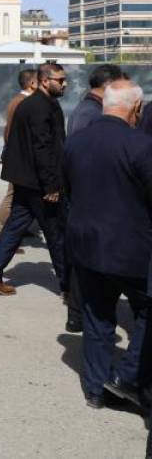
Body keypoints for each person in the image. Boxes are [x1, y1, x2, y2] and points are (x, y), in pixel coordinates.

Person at [62, 79, 152, 410]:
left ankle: (95, 389)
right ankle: (127, 377)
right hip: (131, 249)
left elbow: (69, 190)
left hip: (85, 244)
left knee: (97, 316)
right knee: (146, 309)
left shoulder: (76, 141)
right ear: (137, 108)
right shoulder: (141, 145)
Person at [0, 62, 69, 296]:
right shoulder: (39, 107)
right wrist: (51, 184)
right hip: (39, 183)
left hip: (26, 180)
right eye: (60, 80)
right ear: (44, 81)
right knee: (56, 233)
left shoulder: (39, 104)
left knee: (13, 228)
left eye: (64, 79)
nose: (64, 84)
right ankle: (69, 288)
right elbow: (42, 148)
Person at [0, 69, 38, 252]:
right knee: (12, 197)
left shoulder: (19, 101)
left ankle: (18, 229)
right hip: (19, 159)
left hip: (17, 156)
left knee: (22, 197)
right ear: (32, 84)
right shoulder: (22, 103)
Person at [68, 64, 126, 137]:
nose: (123, 91)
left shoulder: (89, 109)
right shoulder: (90, 113)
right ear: (108, 84)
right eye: (121, 85)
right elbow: (79, 145)